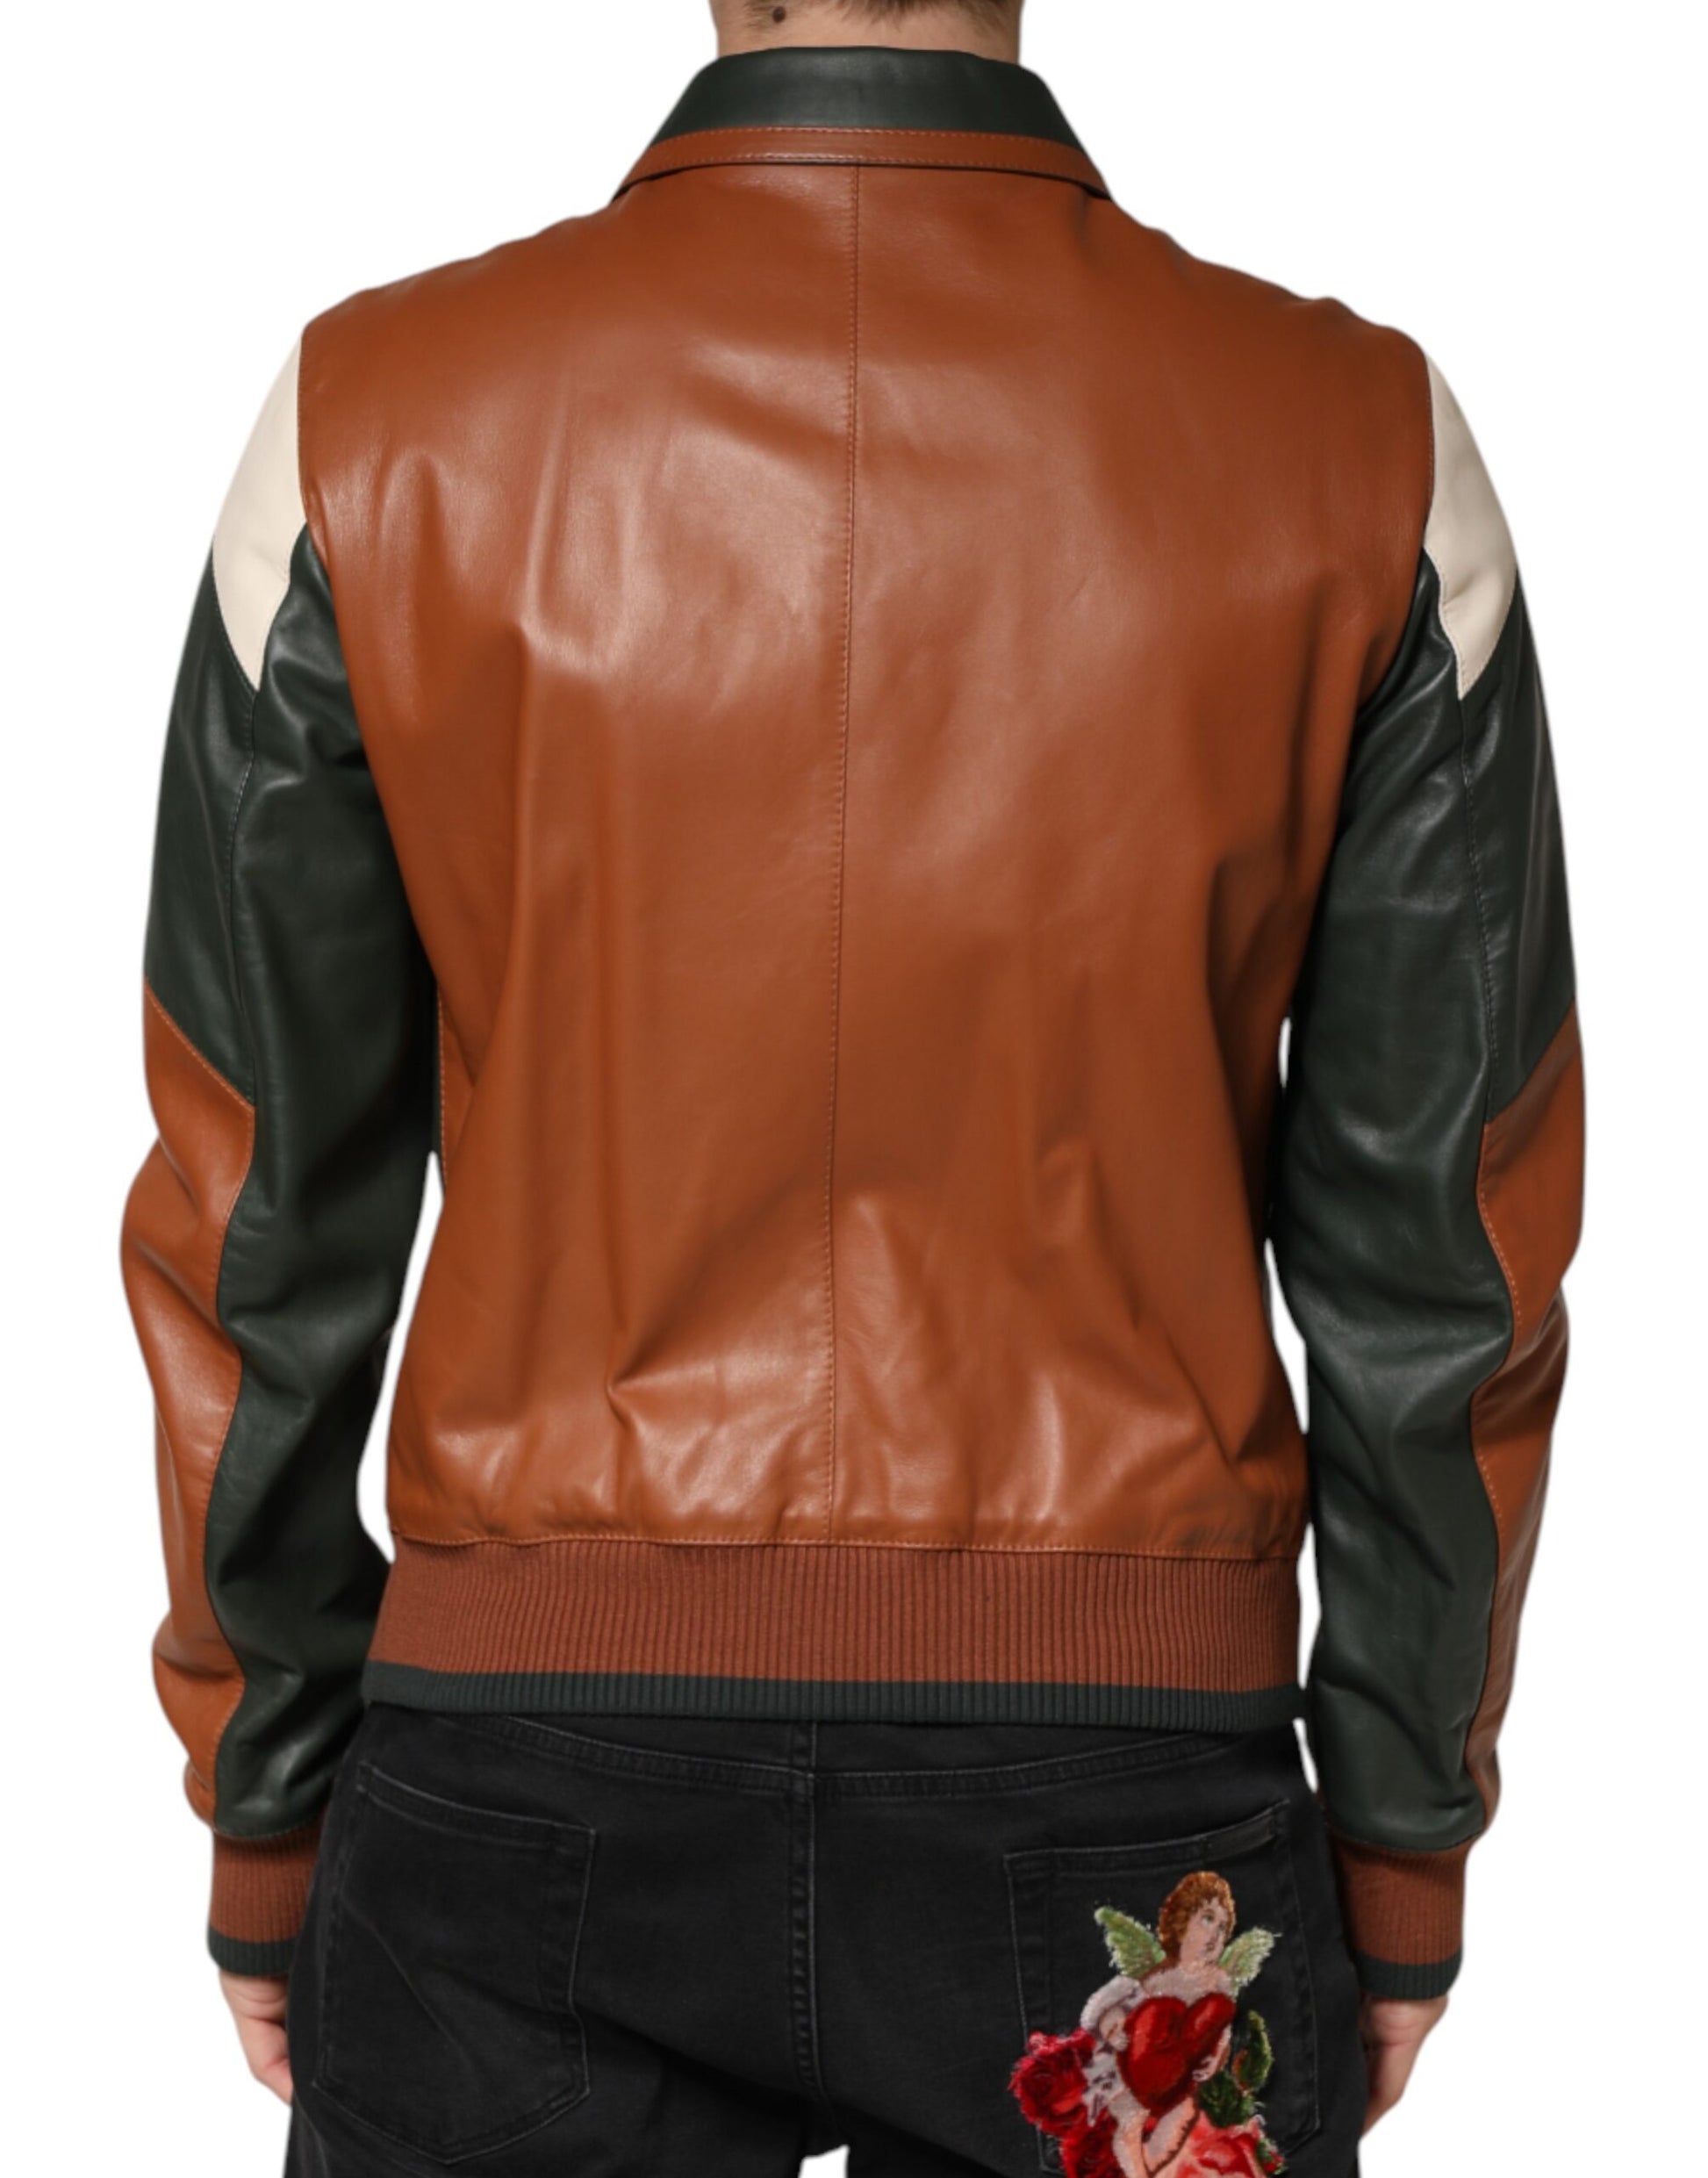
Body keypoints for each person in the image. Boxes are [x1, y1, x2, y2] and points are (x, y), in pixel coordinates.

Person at [118, 0, 1584, 2170]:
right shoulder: (1360, 448)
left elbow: (258, 1210)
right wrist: (1396, 1823)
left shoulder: (372, 428)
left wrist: (266, 1795)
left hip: (519, 1770)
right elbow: (1437, 1248)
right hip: (1122, 1788)